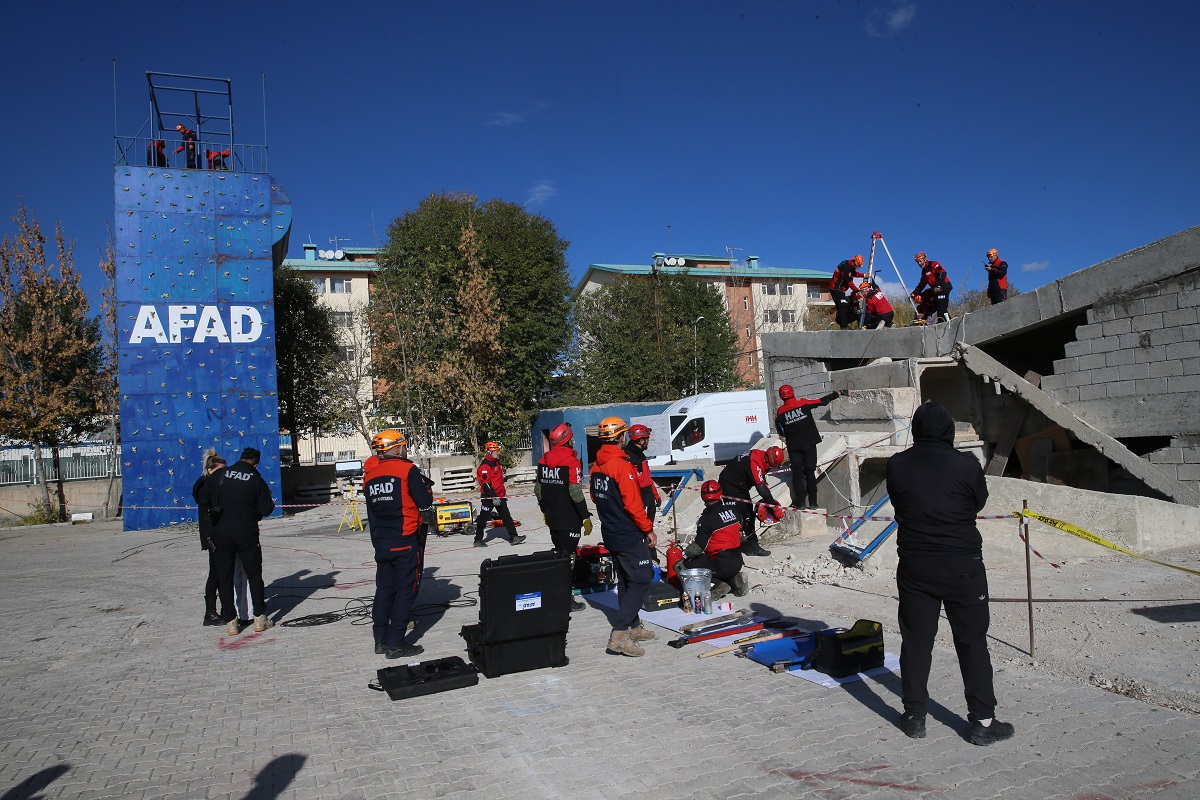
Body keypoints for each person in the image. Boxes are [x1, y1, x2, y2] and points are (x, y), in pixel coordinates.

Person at [885, 402, 1014, 746]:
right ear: (948, 431)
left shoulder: (897, 465)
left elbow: (899, 502)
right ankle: (983, 721)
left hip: (916, 565)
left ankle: (914, 716)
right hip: (962, 565)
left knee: (916, 642)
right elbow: (977, 502)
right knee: (971, 642)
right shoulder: (966, 465)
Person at [363, 429, 435, 659]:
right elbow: (425, 502)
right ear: (395, 448)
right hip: (405, 540)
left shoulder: (370, 475)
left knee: (384, 590)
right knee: (406, 592)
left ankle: (380, 639)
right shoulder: (407, 470)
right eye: (403, 445)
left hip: (381, 541)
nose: (405, 449)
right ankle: (396, 643)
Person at [589, 416, 657, 657]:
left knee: (627, 579)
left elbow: (595, 497)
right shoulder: (621, 465)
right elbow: (633, 503)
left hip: (609, 529)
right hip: (627, 531)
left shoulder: (596, 465)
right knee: (642, 577)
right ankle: (619, 634)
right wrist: (647, 529)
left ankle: (633, 626)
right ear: (620, 437)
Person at [200, 447, 275, 636]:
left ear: (240, 459)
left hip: (221, 535)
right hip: (246, 533)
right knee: (254, 574)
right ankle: (259, 618)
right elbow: (266, 509)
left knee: (225, 577)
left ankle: (231, 622)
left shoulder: (220, 475)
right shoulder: (256, 480)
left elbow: (202, 498)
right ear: (256, 463)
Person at [535, 423, 593, 612]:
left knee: (558, 555)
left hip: (553, 519)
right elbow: (575, 491)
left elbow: (538, 490)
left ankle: (555, 592)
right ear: (568, 440)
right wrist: (585, 516)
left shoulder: (543, 460)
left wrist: (544, 510)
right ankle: (566, 600)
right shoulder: (572, 462)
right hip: (570, 520)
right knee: (568, 560)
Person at [775, 384, 847, 510]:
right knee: (809, 472)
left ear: (781, 397)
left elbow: (781, 431)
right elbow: (822, 401)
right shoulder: (803, 403)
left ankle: (801, 504)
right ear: (793, 392)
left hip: (794, 447)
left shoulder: (780, 412)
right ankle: (813, 503)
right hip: (808, 444)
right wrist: (837, 393)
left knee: (797, 474)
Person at [678, 481, 749, 599]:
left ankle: (716, 586)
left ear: (702, 496)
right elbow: (740, 536)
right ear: (720, 493)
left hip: (721, 563)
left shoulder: (707, 519)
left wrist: (683, 556)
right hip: (737, 560)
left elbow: (698, 548)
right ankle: (734, 579)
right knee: (709, 561)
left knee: (683, 566)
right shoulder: (733, 511)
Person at [716, 445, 786, 557]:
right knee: (743, 515)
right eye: (771, 466)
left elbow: (762, 482)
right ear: (768, 460)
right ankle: (748, 546)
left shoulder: (759, 455)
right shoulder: (754, 462)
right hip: (729, 486)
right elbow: (761, 489)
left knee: (749, 514)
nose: (771, 468)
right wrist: (774, 507)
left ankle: (750, 542)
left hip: (738, 486)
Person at [193, 453, 227, 626]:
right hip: (212, 535)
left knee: (223, 573)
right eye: (219, 470)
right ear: (210, 470)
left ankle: (224, 608)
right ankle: (210, 612)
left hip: (220, 534)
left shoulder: (215, 484)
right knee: (215, 574)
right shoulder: (205, 486)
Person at [473, 441, 527, 547]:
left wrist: (501, 495)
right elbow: (485, 483)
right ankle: (478, 539)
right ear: (489, 452)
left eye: (498, 450)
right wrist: (493, 496)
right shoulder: (485, 466)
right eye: (496, 451)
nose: (499, 453)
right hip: (489, 498)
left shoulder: (496, 463)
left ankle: (513, 537)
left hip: (499, 496)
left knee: (506, 516)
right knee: (483, 518)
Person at [624, 424, 661, 549]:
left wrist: (654, 494)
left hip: (647, 495)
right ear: (641, 440)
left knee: (648, 526)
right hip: (640, 497)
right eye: (647, 439)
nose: (648, 442)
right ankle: (646, 554)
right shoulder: (629, 458)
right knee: (642, 528)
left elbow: (646, 477)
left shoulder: (640, 454)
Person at [911, 252, 952, 324]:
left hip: (943, 287)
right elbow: (921, 284)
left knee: (940, 308)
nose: (919, 264)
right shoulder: (924, 272)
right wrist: (914, 293)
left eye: (920, 261)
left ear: (924, 259)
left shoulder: (933, 264)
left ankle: (941, 324)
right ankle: (949, 321)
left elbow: (943, 272)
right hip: (936, 291)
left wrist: (938, 285)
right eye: (918, 262)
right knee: (938, 306)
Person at [830, 255, 866, 330]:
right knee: (842, 306)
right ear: (854, 261)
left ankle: (849, 324)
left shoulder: (848, 265)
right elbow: (849, 282)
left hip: (840, 290)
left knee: (846, 306)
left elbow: (854, 273)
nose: (856, 268)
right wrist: (857, 291)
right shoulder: (846, 268)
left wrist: (864, 275)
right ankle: (844, 326)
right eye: (856, 266)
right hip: (836, 289)